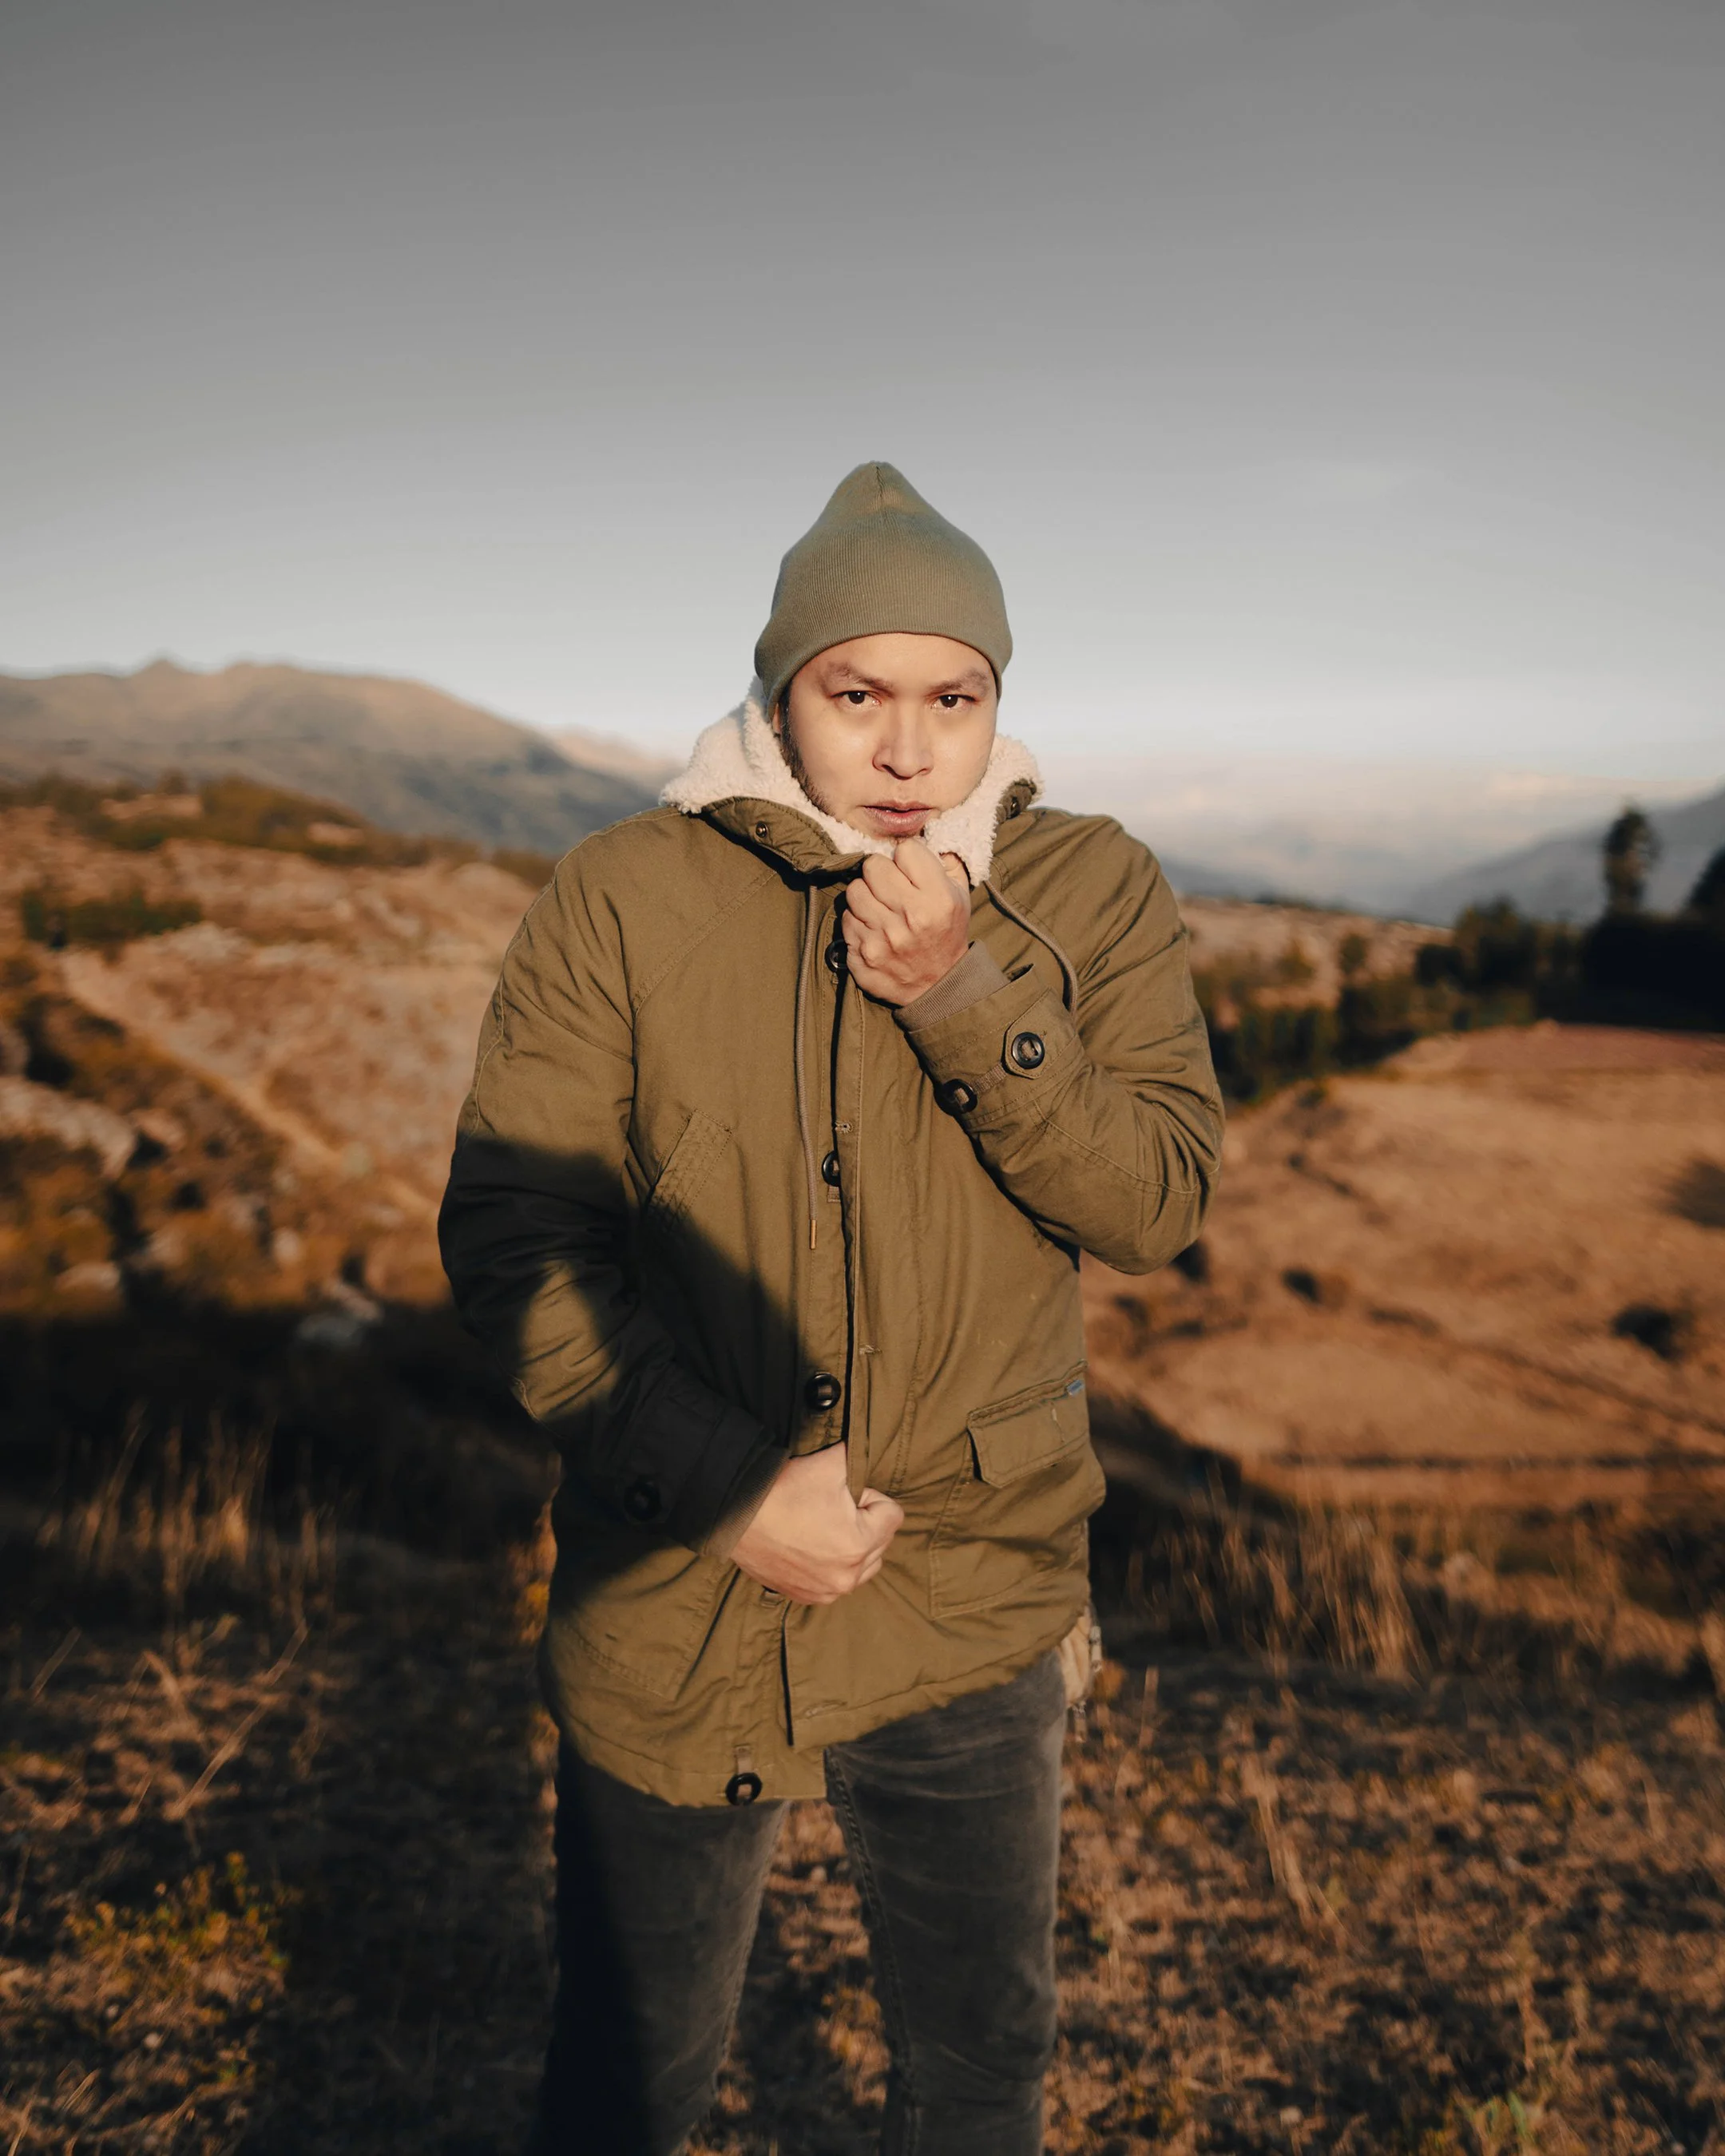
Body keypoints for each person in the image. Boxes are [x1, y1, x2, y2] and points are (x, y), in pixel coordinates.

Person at [438, 462, 1223, 2155]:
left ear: (998, 703)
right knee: (628, 2086)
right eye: (854, 692)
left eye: (955, 697)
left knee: (978, 2083)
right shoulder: (624, 895)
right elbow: (518, 1238)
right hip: (676, 1596)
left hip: (974, 1591)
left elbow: (1157, 1199)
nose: (906, 746)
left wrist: (968, 998)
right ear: (780, 692)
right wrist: (730, 1490)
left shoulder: (1088, 892)